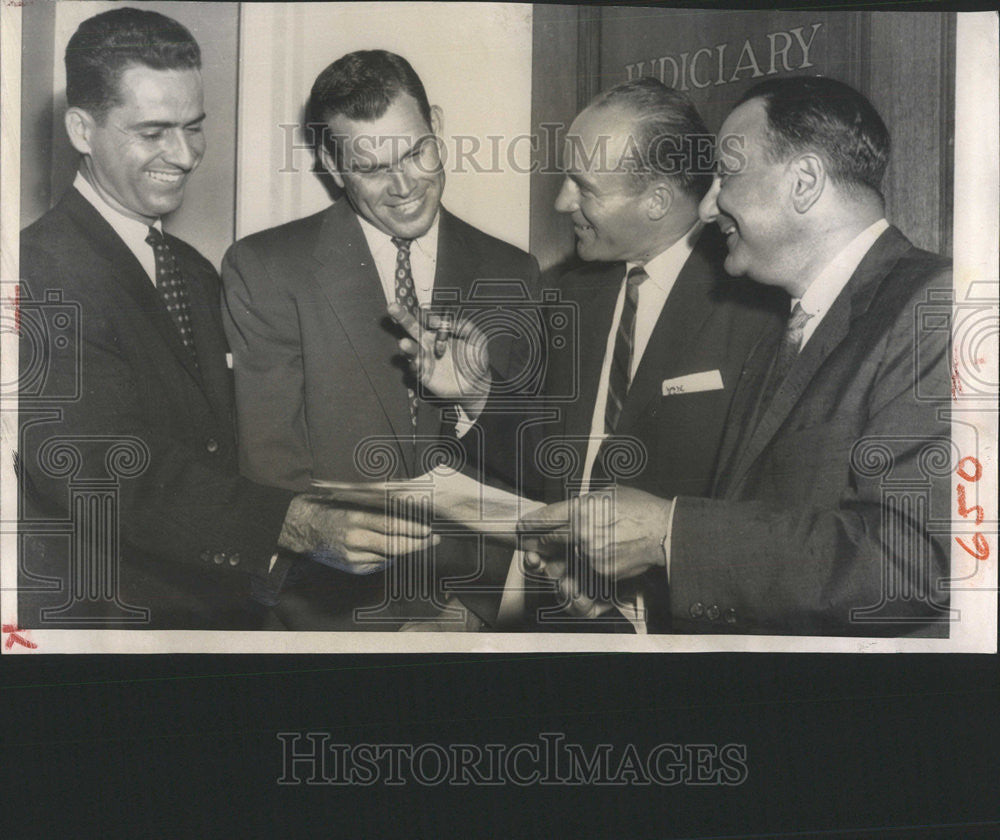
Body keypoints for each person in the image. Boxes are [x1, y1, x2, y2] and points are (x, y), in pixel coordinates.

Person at [16, 8, 417, 630]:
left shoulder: (194, 270)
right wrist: (297, 522)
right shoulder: (33, 272)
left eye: (193, 127)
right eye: (153, 132)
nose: (184, 155)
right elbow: (106, 467)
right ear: (81, 130)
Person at [521, 76, 952, 637]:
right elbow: (770, 530)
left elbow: (914, 564)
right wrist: (636, 585)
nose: (705, 206)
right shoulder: (788, 326)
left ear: (804, 182)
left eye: (727, 174)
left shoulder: (937, 306)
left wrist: (665, 534)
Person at [221, 50, 540, 629]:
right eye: (372, 169)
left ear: (436, 125)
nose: (404, 187)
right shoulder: (266, 268)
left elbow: (533, 457)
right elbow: (269, 466)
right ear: (333, 165)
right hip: (329, 612)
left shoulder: (514, 272)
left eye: (417, 152)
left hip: (479, 610)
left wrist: (477, 397)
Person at [506, 78, 783, 632]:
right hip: (557, 616)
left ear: (656, 200)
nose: (563, 202)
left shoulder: (763, 308)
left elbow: (766, 520)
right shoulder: (564, 292)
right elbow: (534, 453)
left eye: (584, 188)